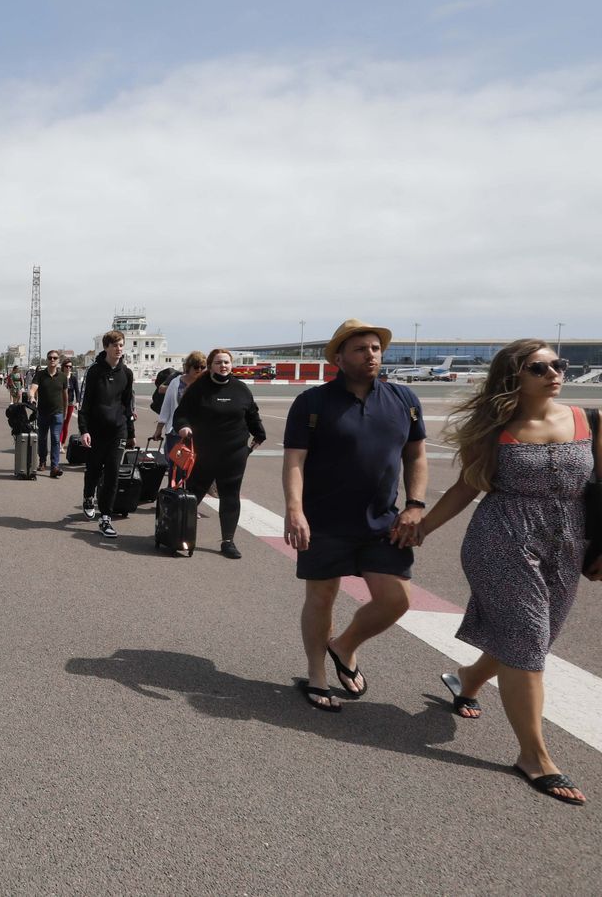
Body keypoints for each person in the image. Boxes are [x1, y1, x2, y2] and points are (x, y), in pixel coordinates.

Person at [415, 339, 597, 805]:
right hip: (503, 540)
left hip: (567, 542)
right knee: (527, 641)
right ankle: (534, 757)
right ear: (515, 375)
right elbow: (464, 488)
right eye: (541, 367)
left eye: (560, 364)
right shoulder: (494, 429)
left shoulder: (590, 420)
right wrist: (423, 528)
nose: (555, 372)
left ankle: (467, 680)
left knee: (536, 638)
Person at [283, 319, 427, 712]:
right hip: (324, 520)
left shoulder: (403, 400)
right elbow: (295, 460)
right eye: (361, 349)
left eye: (376, 348)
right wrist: (294, 510)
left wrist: (415, 504)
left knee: (396, 599)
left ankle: (344, 645)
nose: (371, 355)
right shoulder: (312, 403)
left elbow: (415, 455)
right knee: (321, 596)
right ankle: (317, 674)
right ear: (340, 357)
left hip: (384, 521)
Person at [173, 349, 267, 559]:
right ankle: (180, 535)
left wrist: (259, 435)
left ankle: (228, 541)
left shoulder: (241, 389)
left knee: (230, 496)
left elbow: (252, 414)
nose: (223, 366)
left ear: (231, 365)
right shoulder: (199, 388)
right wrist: (184, 427)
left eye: (226, 362)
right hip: (204, 452)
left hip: (233, 453)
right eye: (218, 362)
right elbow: (181, 415)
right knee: (193, 494)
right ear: (210, 365)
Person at [78, 330, 136, 538]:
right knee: (94, 469)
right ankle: (88, 496)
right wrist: (84, 430)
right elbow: (84, 404)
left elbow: (128, 404)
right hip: (95, 431)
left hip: (117, 430)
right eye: (115, 345)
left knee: (112, 473)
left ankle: (105, 518)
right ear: (106, 348)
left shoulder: (127, 374)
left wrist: (130, 433)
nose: (119, 348)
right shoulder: (94, 372)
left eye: (121, 345)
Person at [27, 351, 74, 478]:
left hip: (57, 413)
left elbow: (65, 396)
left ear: (58, 360)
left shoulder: (63, 377)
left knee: (55, 438)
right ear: (47, 360)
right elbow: (33, 388)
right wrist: (32, 397)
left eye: (55, 358)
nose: (52, 360)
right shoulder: (40, 375)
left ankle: (54, 467)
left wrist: (64, 412)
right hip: (42, 413)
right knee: (42, 438)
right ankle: (42, 461)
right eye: (50, 358)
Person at [154, 351, 206, 466]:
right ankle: (175, 484)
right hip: (176, 433)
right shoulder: (176, 382)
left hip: (199, 434)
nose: (199, 370)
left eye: (203, 367)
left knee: (196, 469)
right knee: (177, 467)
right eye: (196, 367)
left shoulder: (206, 384)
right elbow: (166, 406)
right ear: (188, 367)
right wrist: (159, 429)